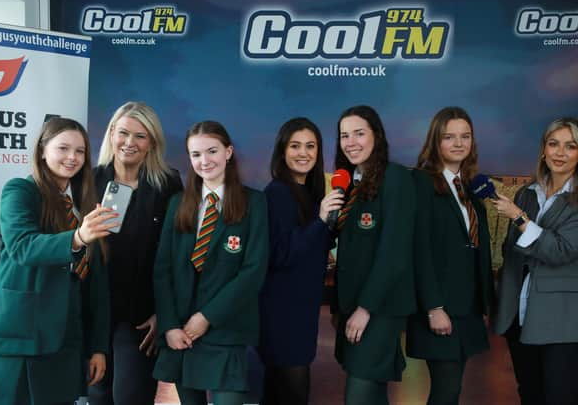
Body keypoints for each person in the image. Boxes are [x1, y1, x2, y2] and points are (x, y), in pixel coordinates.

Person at [0, 117, 114, 405]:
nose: (72, 158)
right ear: (41, 150)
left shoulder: (83, 203)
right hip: (18, 337)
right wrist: (78, 237)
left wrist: (97, 347)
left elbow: (95, 282)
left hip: (64, 341)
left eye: (80, 151)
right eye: (63, 148)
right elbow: (23, 246)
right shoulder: (20, 190)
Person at [153, 121, 269, 405]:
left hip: (225, 330)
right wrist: (169, 326)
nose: (204, 161)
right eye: (196, 154)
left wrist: (206, 318)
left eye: (212, 151)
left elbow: (253, 272)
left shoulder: (254, 203)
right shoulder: (178, 204)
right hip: (181, 334)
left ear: (228, 152)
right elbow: (162, 270)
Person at [89, 102, 182, 405]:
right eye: (124, 133)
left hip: (141, 317)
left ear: (152, 142)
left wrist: (163, 313)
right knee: (98, 395)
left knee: (130, 396)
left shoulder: (168, 184)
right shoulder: (89, 180)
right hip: (95, 312)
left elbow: (176, 253)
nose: (130, 143)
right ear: (112, 133)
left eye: (140, 136)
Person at [405, 107, 494, 405]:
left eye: (465, 136)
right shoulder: (419, 183)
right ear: (435, 141)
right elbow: (419, 250)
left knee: (453, 392)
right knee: (447, 390)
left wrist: (484, 302)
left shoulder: (470, 188)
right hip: (439, 307)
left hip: (467, 307)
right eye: (449, 137)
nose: (458, 143)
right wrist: (433, 307)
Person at [332, 105, 416, 405]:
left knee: (359, 392)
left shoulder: (395, 179)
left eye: (359, 133)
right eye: (344, 135)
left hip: (379, 307)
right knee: (372, 393)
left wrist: (365, 308)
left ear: (376, 136)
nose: (350, 142)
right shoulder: (347, 184)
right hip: (351, 305)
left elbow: (394, 252)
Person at [492, 117, 578, 405]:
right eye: (553, 144)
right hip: (520, 313)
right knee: (529, 394)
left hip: (563, 319)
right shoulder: (526, 193)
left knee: (559, 396)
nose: (560, 153)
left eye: (571, 146)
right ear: (543, 149)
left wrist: (520, 218)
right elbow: (511, 251)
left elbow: (561, 251)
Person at [258, 118, 343, 405]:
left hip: (301, 311)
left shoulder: (309, 193)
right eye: (295, 146)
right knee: (292, 392)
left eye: (310, 146)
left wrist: (330, 226)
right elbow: (282, 253)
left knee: (280, 392)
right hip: (283, 314)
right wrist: (320, 221)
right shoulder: (277, 192)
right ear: (282, 151)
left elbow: (312, 247)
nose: (303, 152)